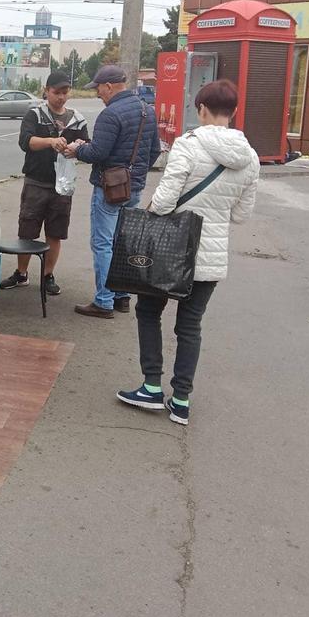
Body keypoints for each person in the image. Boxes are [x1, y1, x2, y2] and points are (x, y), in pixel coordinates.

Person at [116, 79, 259, 425]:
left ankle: (151, 387)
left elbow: (164, 201)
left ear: (202, 109)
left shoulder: (188, 144)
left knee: (149, 311)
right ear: (234, 112)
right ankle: (181, 400)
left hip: (170, 251)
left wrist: (152, 209)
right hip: (209, 256)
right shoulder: (250, 158)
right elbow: (241, 215)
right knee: (190, 325)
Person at [71, 64, 160, 319]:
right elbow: (154, 150)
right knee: (123, 243)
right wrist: (137, 174)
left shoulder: (110, 115)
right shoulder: (147, 110)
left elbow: (98, 153)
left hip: (109, 188)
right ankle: (122, 297)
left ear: (109, 86)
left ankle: (103, 301)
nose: (97, 94)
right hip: (134, 187)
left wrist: (77, 149)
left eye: (98, 88)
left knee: (103, 243)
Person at [0, 71, 89, 295]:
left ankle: (48, 275)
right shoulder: (35, 115)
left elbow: (87, 146)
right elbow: (25, 142)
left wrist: (77, 147)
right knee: (27, 230)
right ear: (46, 91)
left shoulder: (77, 118)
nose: (61, 97)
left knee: (55, 233)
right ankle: (21, 273)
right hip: (36, 181)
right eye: (56, 92)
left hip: (63, 186)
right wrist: (50, 141)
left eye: (65, 92)